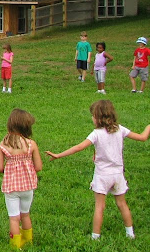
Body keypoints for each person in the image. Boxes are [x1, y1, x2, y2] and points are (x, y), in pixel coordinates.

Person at [45, 100, 150, 240]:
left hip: (102, 175)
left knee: (100, 206)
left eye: (93, 116)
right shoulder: (120, 129)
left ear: (98, 117)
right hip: (118, 174)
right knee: (122, 204)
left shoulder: (96, 134)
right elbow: (143, 138)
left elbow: (79, 147)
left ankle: (95, 236)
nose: (92, 118)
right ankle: (130, 233)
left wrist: (58, 155)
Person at [0, 109, 42, 249]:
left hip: (11, 187)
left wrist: (8, 170)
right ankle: (28, 241)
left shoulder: (4, 144)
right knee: (25, 215)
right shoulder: (31, 144)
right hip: (28, 186)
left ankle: (16, 246)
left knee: (14, 218)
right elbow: (38, 167)